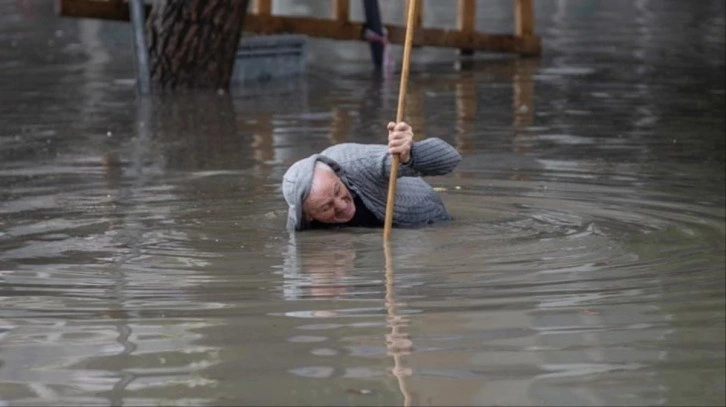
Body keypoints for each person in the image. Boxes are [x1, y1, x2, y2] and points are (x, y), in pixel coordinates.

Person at [281, 121, 461, 231]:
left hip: (426, 220)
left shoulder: (358, 162)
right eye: (326, 207)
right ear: (308, 216)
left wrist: (411, 154)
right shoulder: (301, 220)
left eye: (337, 191)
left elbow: (451, 159)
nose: (342, 205)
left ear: (337, 173)